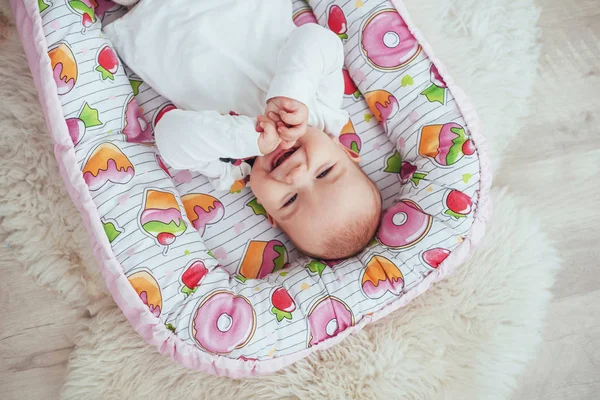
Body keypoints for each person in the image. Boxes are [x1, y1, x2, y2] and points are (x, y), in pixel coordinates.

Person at [104, 0, 381, 259]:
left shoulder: (231, 168)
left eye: (290, 200)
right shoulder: (322, 106)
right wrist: (294, 91)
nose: (296, 174)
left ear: (268, 212)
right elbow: (317, 40)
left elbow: (170, 137)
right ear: (343, 150)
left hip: (154, 15)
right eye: (324, 172)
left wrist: (246, 138)